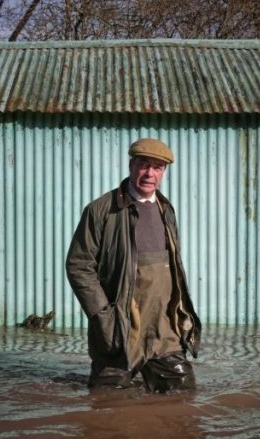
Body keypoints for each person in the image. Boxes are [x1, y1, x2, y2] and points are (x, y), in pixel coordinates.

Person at [66, 137, 200, 392]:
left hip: (163, 329)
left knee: (183, 393)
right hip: (121, 327)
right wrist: (103, 316)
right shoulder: (101, 210)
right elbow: (78, 265)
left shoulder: (166, 209)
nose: (150, 173)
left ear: (163, 172)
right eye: (144, 165)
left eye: (157, 167)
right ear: (131, 165)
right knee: (107, 401)